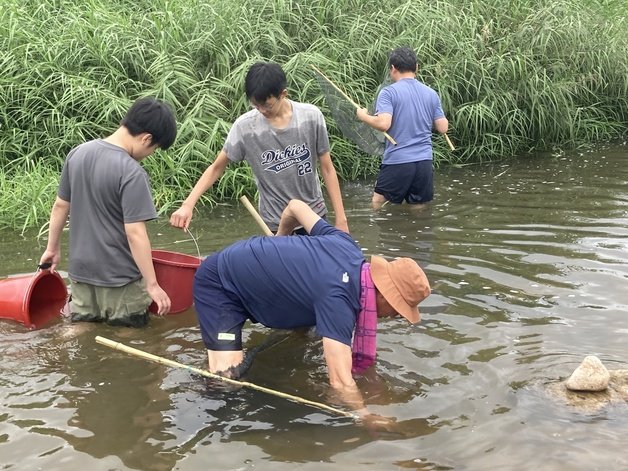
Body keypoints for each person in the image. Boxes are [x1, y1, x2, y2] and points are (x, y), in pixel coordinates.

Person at [193, 199, 431, 419]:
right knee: (227, 382)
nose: (395, 316)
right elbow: (340, 382)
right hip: (221, 283)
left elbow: (295, 206)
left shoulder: (347, 246)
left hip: (252, 271)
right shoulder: (339, 301)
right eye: (398, 309)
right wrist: (366, 415)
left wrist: (279, 241)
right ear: (384, 293)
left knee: (306, 336)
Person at [39, 97, 178, 327]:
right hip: (120, 278)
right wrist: (152, 284)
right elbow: (135, 233)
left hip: (81, 272)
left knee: (80, 329)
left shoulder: (77, 154)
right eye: (154, 149)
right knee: (130, 338)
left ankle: (58, 361)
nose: (150, 154)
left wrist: (52, 249)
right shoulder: (132, 172)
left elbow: (60, 206)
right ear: (147, 138)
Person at [170, 61, 348, 234]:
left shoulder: (311, 117)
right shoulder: (245, 128)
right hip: (275, 224)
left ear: (283, 94)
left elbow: (327, 168)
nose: (262, 110)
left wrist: (341, 219)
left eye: (267, 105)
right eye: (256, 105)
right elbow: (216, 168)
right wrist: (187, 205)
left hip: (314, 217)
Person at [356, 46, 449, 209]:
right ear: (417, 68)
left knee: (378, 203)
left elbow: (384, 124)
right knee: (418, 207)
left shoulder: (388, 93)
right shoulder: (431, 93)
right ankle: (417, 233)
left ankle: (385, 234)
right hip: (424, 161)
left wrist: (363, 116)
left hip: (398, 160)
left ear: (392, 69)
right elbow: (442, 128)